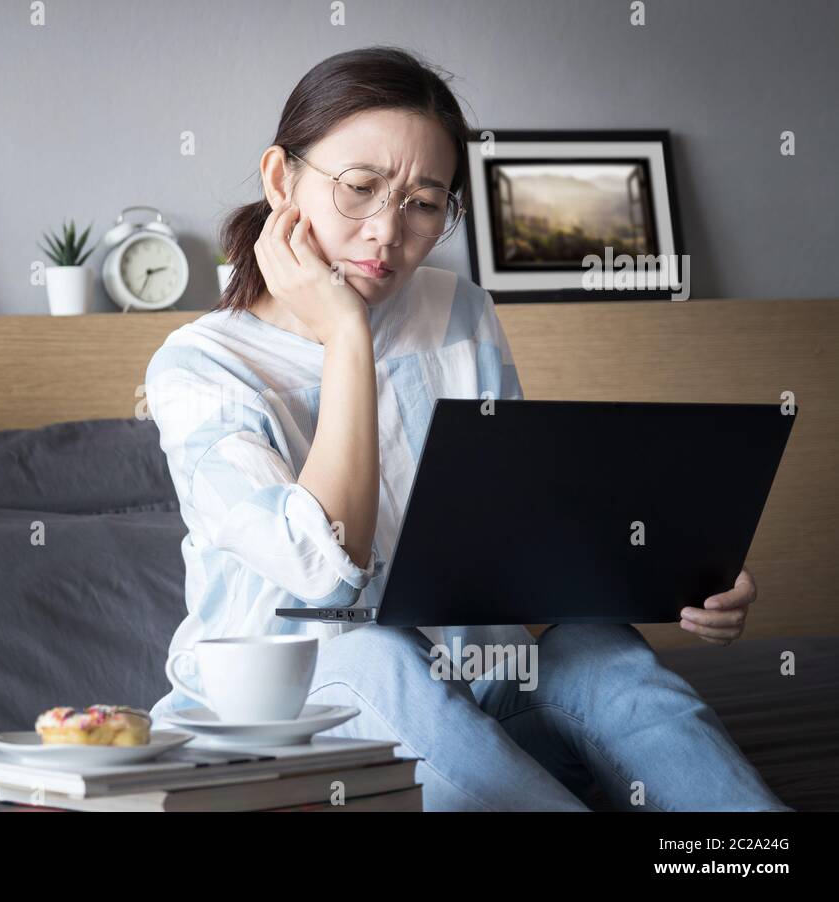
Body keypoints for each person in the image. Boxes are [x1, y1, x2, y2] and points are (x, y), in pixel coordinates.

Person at [142, 45, 790, 812]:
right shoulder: (197, 368)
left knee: (596, 646)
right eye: (360, 188)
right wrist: (348, 337)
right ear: (282, 178)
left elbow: (512, 536)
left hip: (476, 689)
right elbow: (324, 568)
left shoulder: (458, 311)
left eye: (423, 203)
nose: (387, 231)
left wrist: (673, 574)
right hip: (285, 729)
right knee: (373, 653)